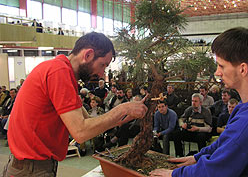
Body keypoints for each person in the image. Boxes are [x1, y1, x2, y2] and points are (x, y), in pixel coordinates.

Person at [3, 32, 148, 177]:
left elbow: (90, 122)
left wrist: (123, 117)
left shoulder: (62, 72)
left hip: (33, 166)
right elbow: (80, 132)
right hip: (31, 168)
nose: (102, 73)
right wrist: (123, 108)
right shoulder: (59, 71)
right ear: (88, 55)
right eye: (102, 65)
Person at [150, 27, 248, 176]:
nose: (217, 72)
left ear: (242, 69)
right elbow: (225, 142)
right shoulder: (245, 106)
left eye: (221, 65)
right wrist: (197, 157)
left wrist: (173, 175)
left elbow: (215, 171)